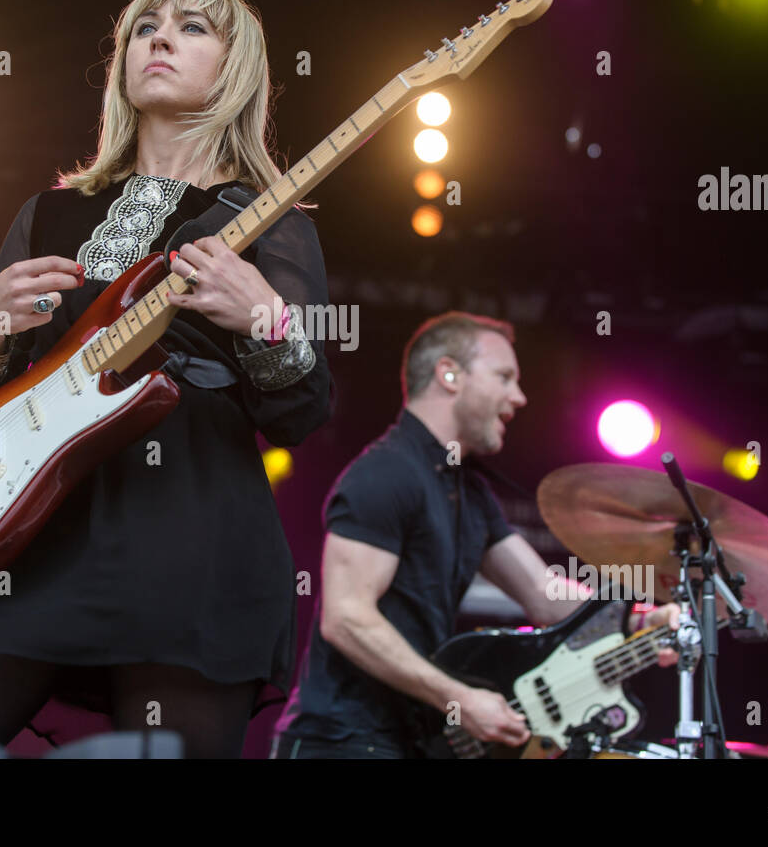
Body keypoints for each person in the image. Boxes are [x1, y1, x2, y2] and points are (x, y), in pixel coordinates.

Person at [0, 0, 333, 759]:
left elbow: (300, 412)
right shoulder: (49, 212)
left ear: (237, 70)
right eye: (146, 26)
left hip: (188, 532)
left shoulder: (275, 224)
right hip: (25, 530)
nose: (160, 36)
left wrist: (264, 320)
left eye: (194, 28)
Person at [270, 312, 679, 759]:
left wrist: (638, 620)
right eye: (504, 377)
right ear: (449, 374)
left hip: (409, 741)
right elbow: (346, 618)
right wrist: (458, 698)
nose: (519, 397)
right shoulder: (386, 472)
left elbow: (544, 594)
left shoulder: (470, 489)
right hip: (339, 741)